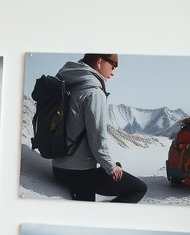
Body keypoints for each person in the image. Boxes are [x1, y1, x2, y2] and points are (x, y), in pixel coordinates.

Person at [51, 53, 147, 203]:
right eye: (112, 66)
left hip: (58, 168)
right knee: (139, 188)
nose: (113, 72)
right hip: (79, 173)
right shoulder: (94, 92)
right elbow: (97, 137)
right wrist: (111, 167)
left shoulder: (68, 82)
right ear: (99, 62)